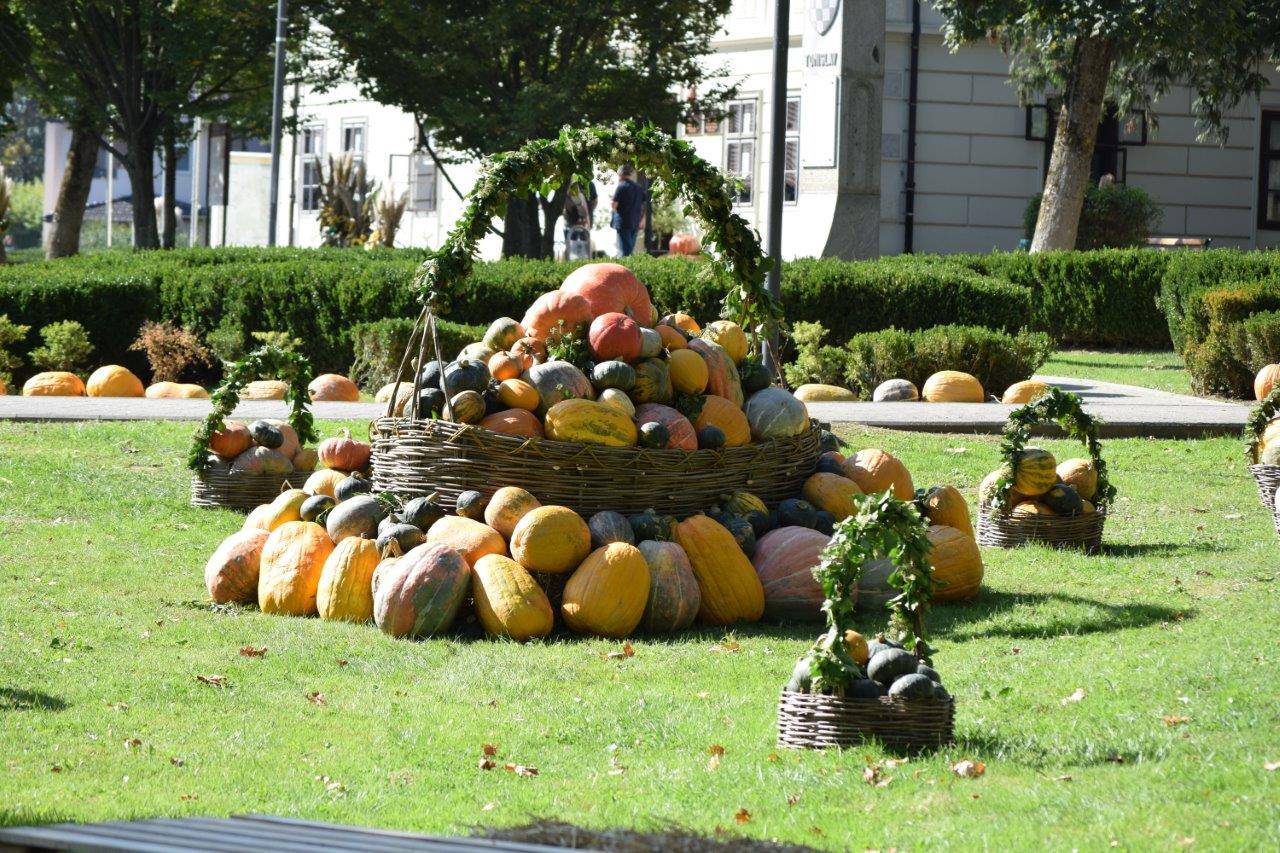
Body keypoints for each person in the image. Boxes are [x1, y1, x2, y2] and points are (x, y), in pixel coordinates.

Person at [611, 165, 646, 257]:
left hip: (623, 222)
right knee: (629, 249)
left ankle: (625, 269)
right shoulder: (639, 188)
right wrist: (643, 219)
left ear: (621, 174)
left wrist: (611, 200)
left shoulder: (621, 187)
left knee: (625, 252)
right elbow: (644, 205)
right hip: (635, 222)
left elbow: (614, 205)